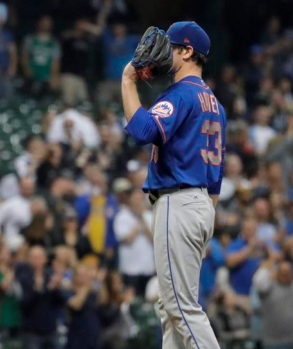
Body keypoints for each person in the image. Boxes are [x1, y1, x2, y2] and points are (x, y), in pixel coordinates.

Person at [121, 22, 226, 349]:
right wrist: (204, 217)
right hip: (200, 205)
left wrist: (127, 82)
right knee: (171, 308)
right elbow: (216, 179)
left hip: (178, 203)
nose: (163, 53)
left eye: (171, 47)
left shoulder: (182, 94)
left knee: (181, 307)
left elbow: (142, 132)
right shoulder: (215, 104)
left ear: (187, 51)